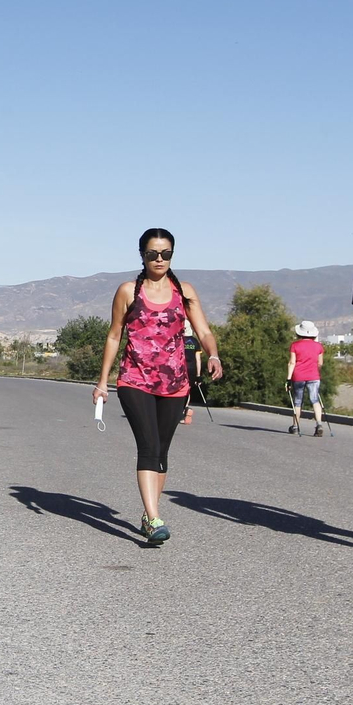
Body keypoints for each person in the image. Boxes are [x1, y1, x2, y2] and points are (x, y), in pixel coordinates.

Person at [94, 229, 223, 545]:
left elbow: (204, 331)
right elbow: (114, 335)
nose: (159, 259)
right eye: (153, 253)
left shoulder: (184, 290)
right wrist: (102, 381)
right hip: (134, 380)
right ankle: (153, 519)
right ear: (142, 255)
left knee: (162, 451)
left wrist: (213, 354)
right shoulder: (128, 291)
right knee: (149, 446)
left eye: (166, 253)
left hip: (175, 383)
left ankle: (149, 513)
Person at [288, 321, 326, 436]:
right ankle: (319, 424)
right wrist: (315, 372)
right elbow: (320, 363)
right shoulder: (319, 346)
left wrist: (288, 378)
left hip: (298, 376)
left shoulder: (295, 345)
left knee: (298, 401)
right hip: (314, 376)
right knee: (315, 399)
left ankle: (295, 426)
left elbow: (292, 362)